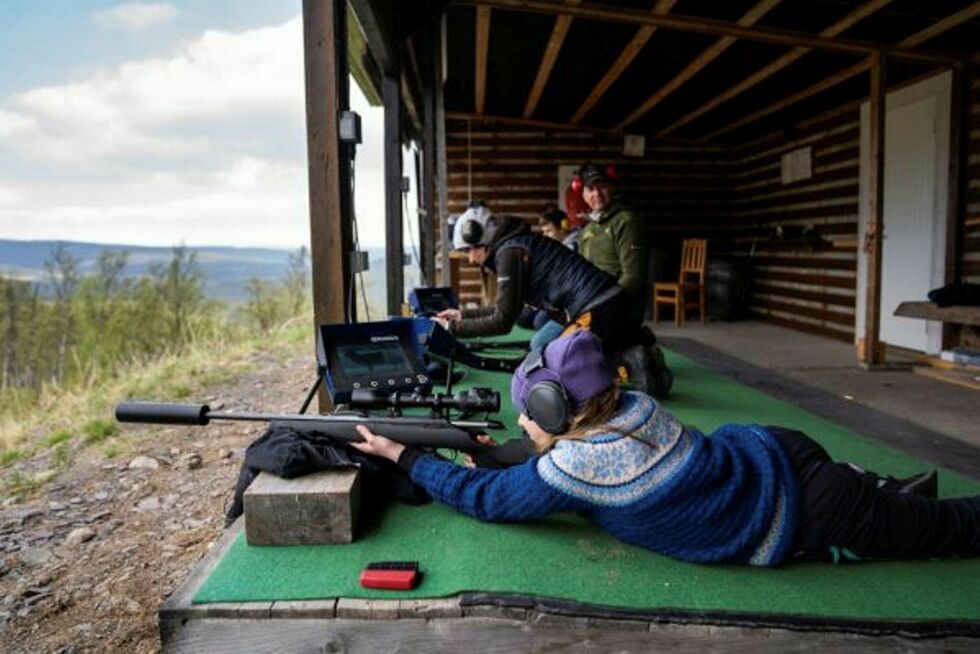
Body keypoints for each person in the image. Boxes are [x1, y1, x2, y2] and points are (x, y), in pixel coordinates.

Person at [352, 331, 979, 567]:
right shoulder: (632, 407)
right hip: (779, 454)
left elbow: (488, 499)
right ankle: (876, 485)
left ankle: (880, 499)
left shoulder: (578, 464)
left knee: (949, 529)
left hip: (803, 509)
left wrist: (401, 455)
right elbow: (551, 455)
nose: (523, 419)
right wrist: (508, 449)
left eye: (530, 410)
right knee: (889, 505)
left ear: (555, 411)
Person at [577, 164, 650, 330]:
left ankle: (633, 342)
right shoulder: (587, 228)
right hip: (590, 301)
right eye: (591, 189)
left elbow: (633, 277)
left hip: (616, 306)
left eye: (602, 187)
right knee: (542, 331)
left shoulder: (626, 221)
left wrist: (601, 304)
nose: (597, 194)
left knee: (547, 342)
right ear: (583, 194)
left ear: (612, 188)